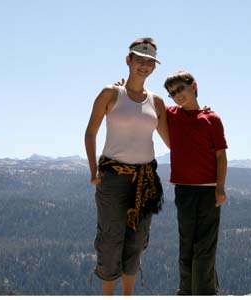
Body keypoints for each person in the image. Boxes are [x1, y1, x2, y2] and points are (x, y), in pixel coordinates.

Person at [84, 37, 169, 295]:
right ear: (128, 60)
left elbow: (171, 140)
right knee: (110, 240)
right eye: (139, 60)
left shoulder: (156, 102)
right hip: (113, 178)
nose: (144, 66)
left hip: (144, 179)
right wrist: (93, 170)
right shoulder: (111, 94)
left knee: (136, 241)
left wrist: (200, 113)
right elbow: (90, 133)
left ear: (154, 67)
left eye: (149, 62)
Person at [164, 71, 228, 295]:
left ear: (194, 86)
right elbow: (147, 99)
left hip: (209, 191)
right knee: (187, 245)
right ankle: (186, 292)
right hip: (183, 190)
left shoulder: (212, 120)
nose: (177, 95)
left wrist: (220, 188)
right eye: (172, 93)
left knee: (205, 246)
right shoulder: (171, 114)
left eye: (180, 88)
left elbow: (221, 156)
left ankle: (205, 294)